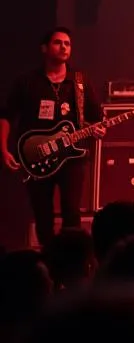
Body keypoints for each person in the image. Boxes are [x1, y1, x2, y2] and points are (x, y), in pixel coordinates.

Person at [1, 27, 104, 248]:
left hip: (72, 157)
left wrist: (98, 129)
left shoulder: (80, 80)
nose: (64, 47)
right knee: (42, 212)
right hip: (36, 155)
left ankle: (71, 261)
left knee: (71, 210)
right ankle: (48, 261)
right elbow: (7, 116)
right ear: (45, 48)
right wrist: (3, 149)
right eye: (58, 43)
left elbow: (96, 118)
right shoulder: (27, 81)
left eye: (67, 44)